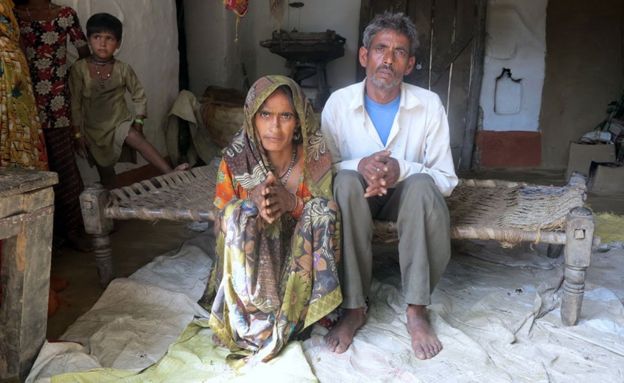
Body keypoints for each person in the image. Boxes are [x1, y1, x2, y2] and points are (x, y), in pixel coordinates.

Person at [321, 12, 458, 360]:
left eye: (399, 52)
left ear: (409, 64)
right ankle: (354, 308)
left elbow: (446, 179)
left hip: (405, 199)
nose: (388, 59)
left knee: (423, 186)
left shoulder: (428, 106)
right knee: (345, 183)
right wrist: (360, 166)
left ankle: (416, 308)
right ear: (364, 56)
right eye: (381, 49)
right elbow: (323, 171)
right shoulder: (338, 104)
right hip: (357, 198)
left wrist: (401, 170)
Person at [200, 75, 342, 363]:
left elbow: (331, 218)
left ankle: (304, 313)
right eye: (265, 114)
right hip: (255, 273)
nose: (274, 127)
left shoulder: (315, 159)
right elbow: (220, 224)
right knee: (239, 212)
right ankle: (252, 317)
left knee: (323, 210)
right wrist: (252, 205)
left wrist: (291, 202)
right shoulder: (236, 160)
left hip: (299, 272)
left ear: (299, 121)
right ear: (252, 117)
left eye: (285, 116)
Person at [69, 12, 187, 189]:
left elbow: (139, 95)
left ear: (118, 43)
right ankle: (113, 208)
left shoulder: (123, 69)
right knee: (106, 171)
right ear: (89, 39)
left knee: (134, 136)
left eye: (109, 38)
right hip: (93, 128)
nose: (102, 43)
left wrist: (139, 121)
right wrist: (77, 133)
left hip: (119, 122)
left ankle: (169, 172)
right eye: (97, 37)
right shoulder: (79, 69)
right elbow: (75, 103)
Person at [14, 0, 91, 250]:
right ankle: (48, 235)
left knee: (65, 169)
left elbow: (84, 55)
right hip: (22, 107)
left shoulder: (65, 15)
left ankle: (74, 230)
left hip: (57, 105)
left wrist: (66, 83)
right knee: (35, 172)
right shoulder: (12, 15)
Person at [0, 0, 48, 170]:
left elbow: (17, 39)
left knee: (20, 125)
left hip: (16, 74)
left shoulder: (7, 5)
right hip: (11, 71)